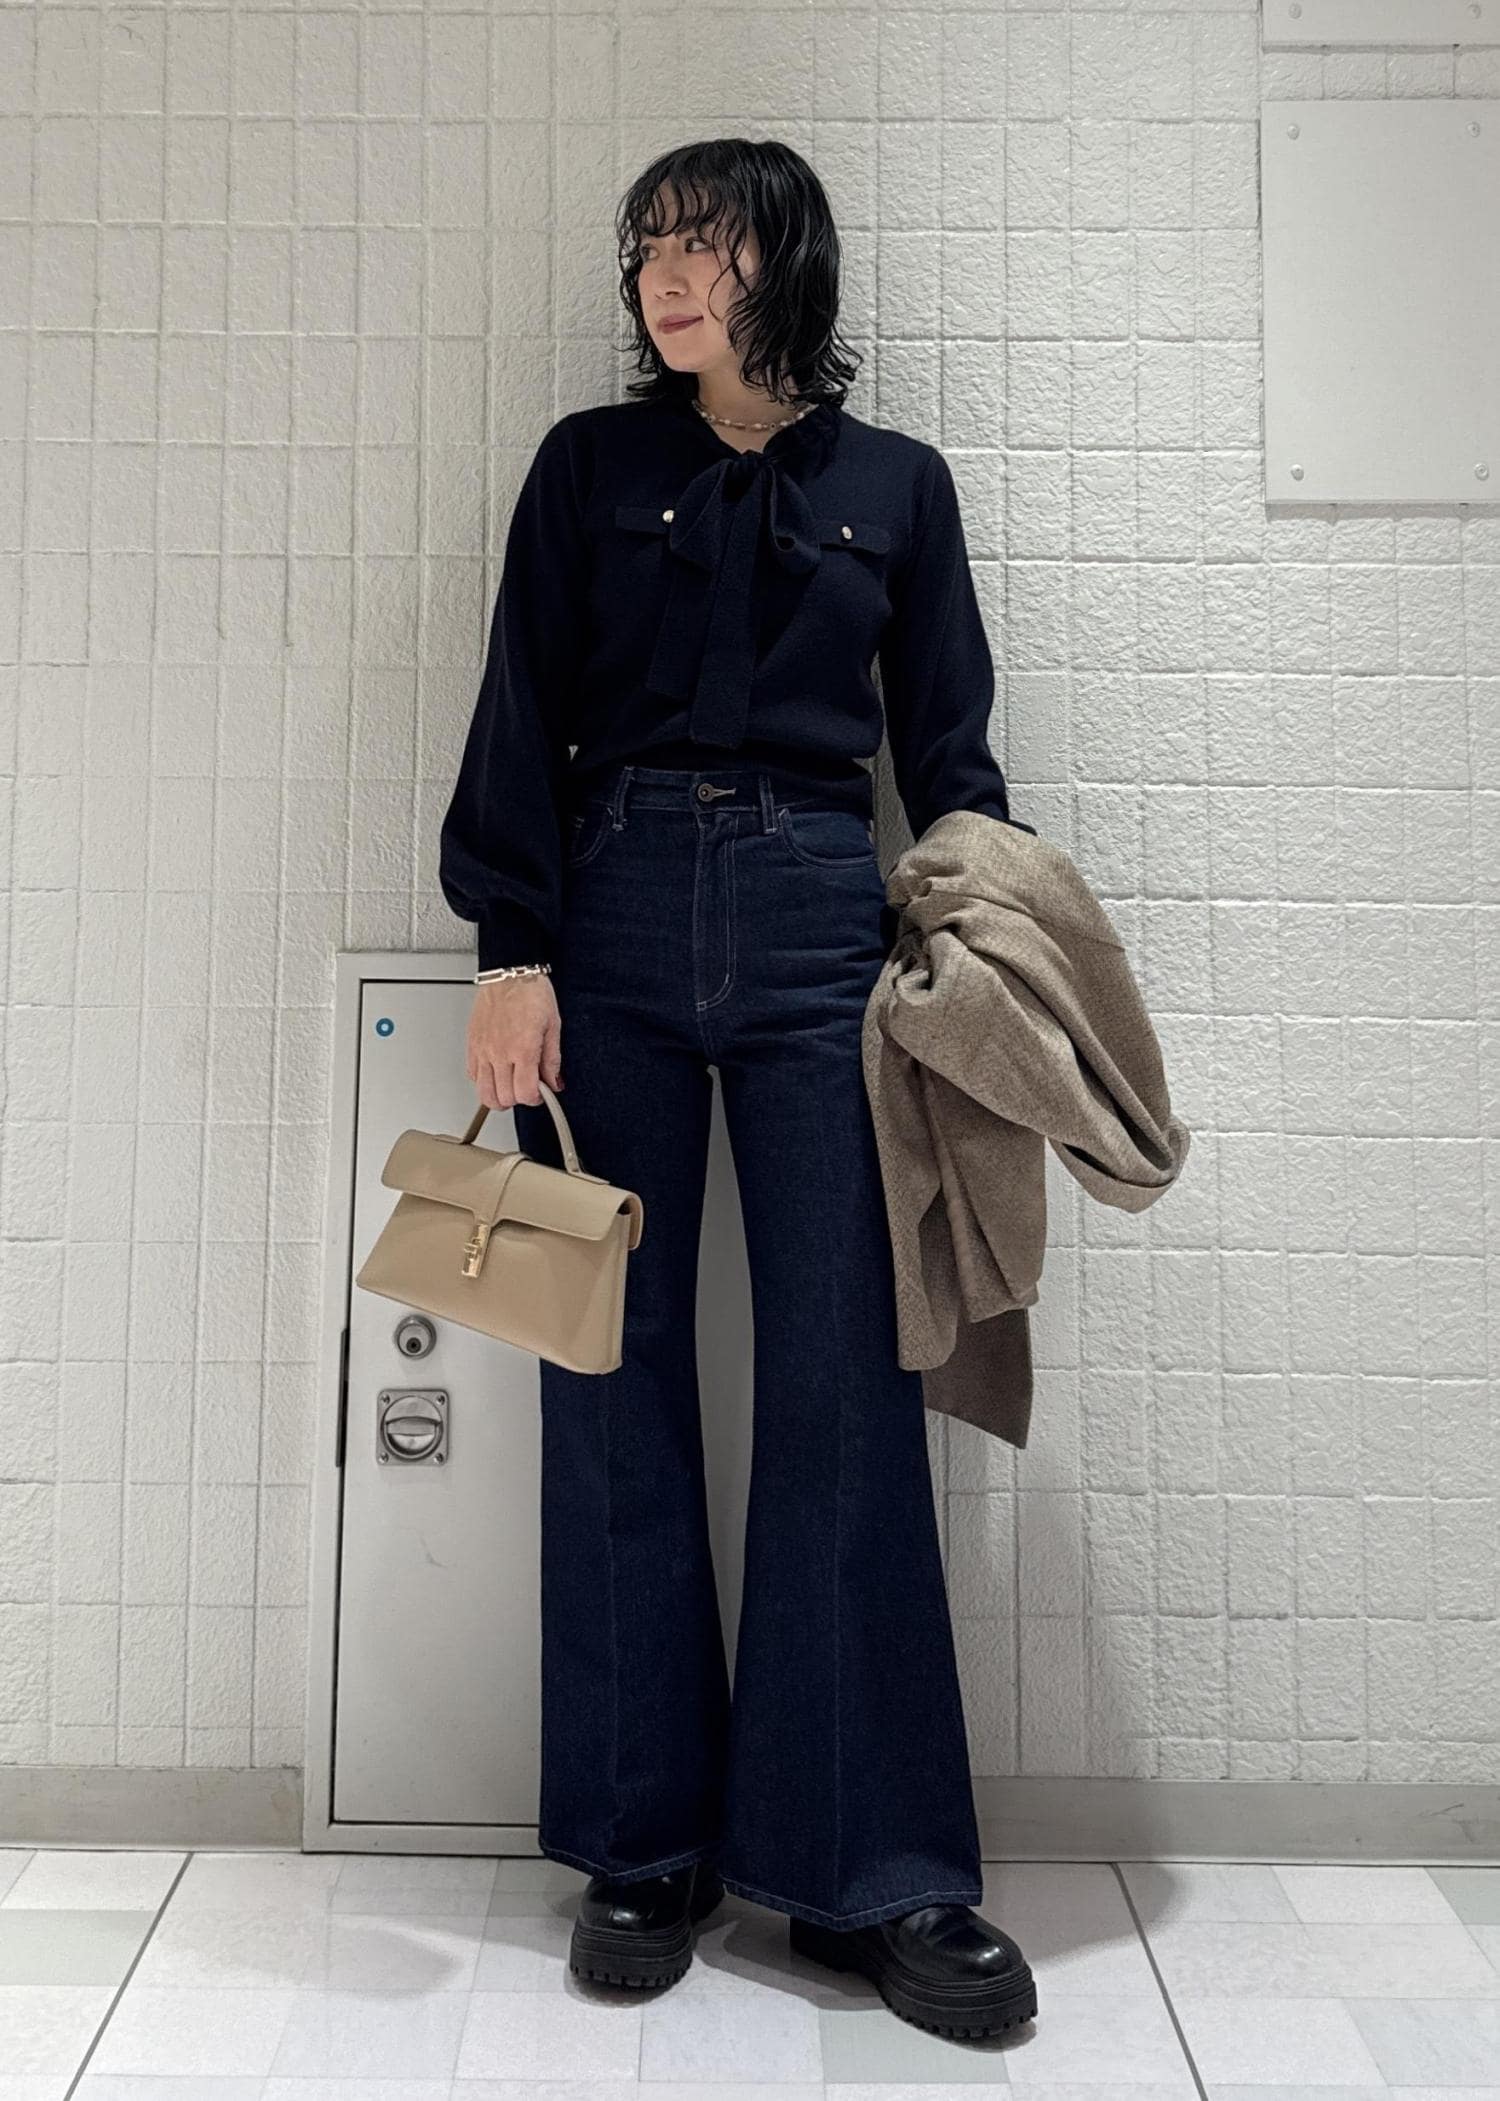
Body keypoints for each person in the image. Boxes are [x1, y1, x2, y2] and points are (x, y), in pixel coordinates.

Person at [438, 137, 1038, 2041]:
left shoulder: (897, 488)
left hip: (814, 918)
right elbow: (521, 705)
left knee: (846, 1378)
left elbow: (951, 754)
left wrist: (973, 956)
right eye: (647, 249)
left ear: (790, 259)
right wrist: (510, 952)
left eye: (705, 242)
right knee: (606, 1366)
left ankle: (873, 1868)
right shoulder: (586, 467)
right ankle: (644, 1843)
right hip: (610, 908)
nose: (667, 275)